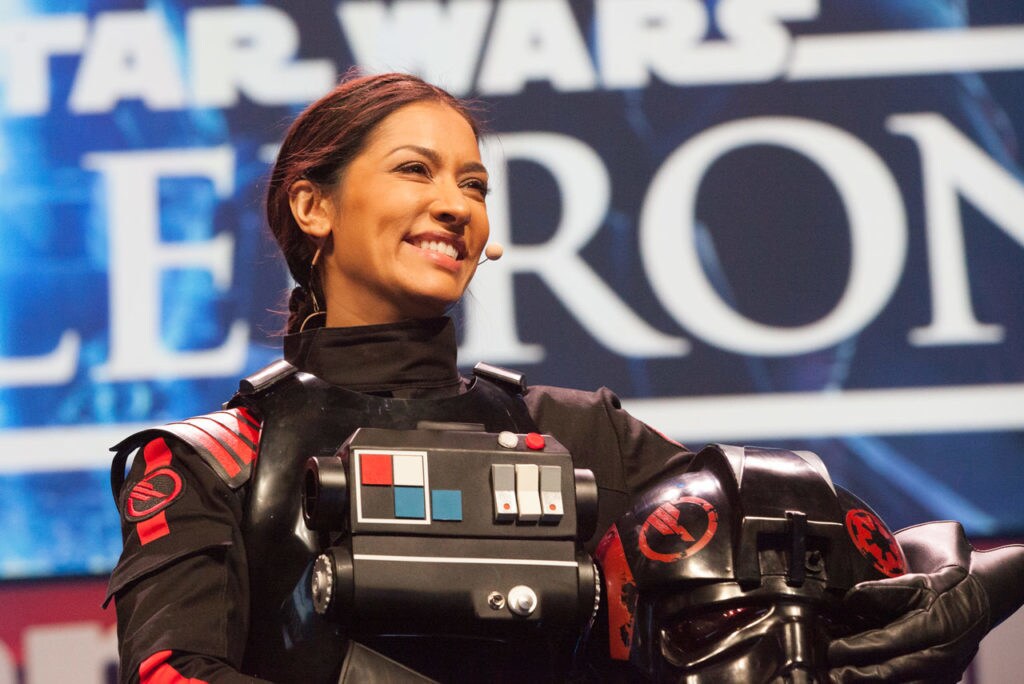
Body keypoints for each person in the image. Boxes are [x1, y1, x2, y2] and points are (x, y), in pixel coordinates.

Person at [106, 72, 1023, 683]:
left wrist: (954, 589)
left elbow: (828, 562)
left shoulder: (584, 435)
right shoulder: (207, 466)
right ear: (313, 205)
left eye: (473, 184)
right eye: (415, 171)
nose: (452, 204)